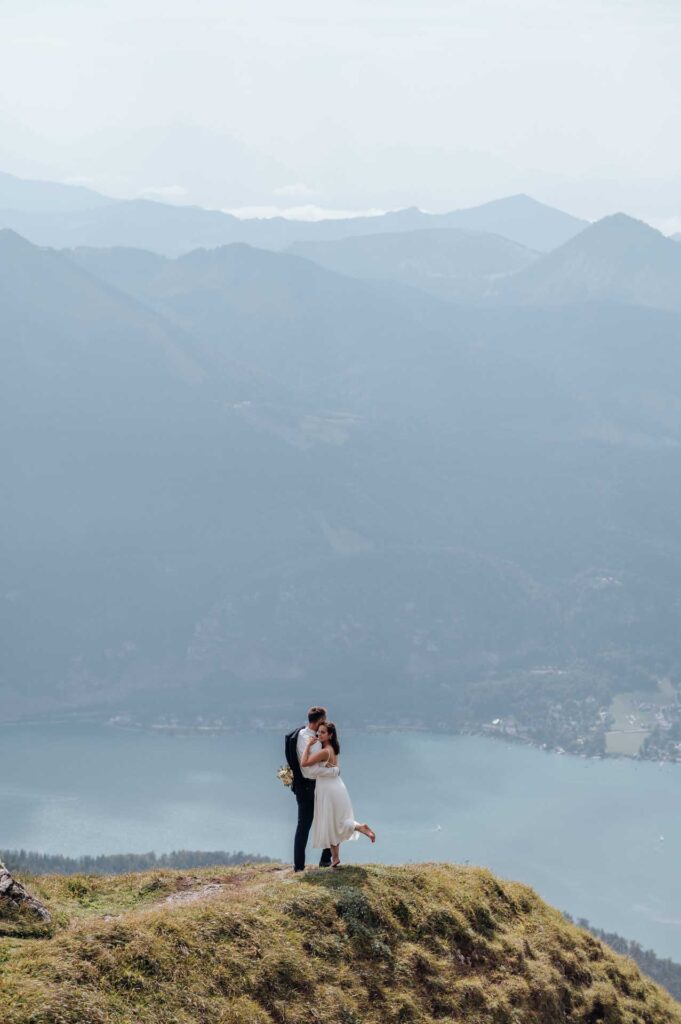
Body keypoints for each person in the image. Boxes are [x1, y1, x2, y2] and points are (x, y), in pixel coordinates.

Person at [301, 720, 376, 869]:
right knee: (334, 823)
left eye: (323, 732)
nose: (319, 734)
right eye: (319, 732)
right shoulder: (333, 749)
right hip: (335, 786)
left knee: (332, 823)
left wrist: (308, 745)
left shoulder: (324, 751)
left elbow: (304, 763)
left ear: (330, 734)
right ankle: (335, 858)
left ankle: (360, 827)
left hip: (328, 790)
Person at [286, 706, 340, 872]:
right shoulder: (310, 741)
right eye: (324, 720)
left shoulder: (304, 734)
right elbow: (309, 769)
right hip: (311, 787)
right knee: (310, 825)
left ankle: (317, 862)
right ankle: (307, 865)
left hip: (311, 787)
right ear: (319, 721)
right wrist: (332, 771)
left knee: (321, 822)